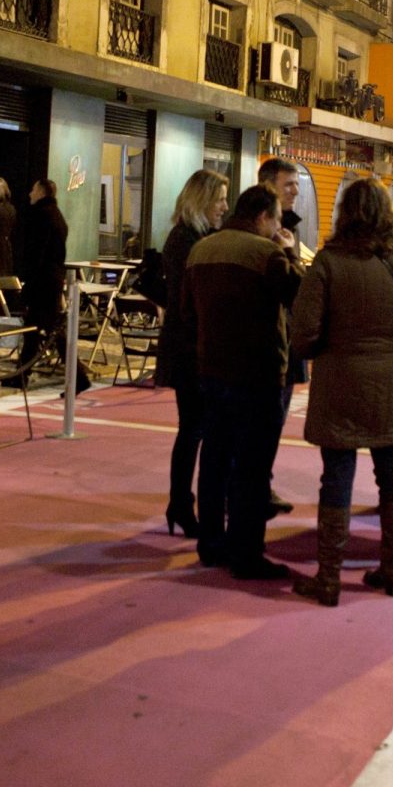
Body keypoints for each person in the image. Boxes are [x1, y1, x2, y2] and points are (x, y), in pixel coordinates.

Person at [289, 181, 393, 604]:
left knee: (336, 474)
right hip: (390, 379)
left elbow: (302, 331)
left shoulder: (329, 263)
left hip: (339, 378)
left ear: (344, 213)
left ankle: (329, 577)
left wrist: (326, 349)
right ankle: (392, 570)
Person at [183, 185, 302, 580]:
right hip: (258, 373)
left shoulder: (201, 249)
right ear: (264, 217)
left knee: (215, 460)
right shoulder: (266, 254)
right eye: (277, 222)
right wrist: (290, 252)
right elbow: (297, 296)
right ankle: (246, 553)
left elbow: (186, 311)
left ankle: (211, 543)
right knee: (251, 468)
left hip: (211, 371)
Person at [152, 169, 229, 540]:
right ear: (202, 200)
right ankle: (182, 504)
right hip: (189, 348)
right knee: (194, 429)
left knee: (195, 429)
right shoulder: (186, 239)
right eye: (220, 199)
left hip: (193, 345)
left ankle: (181, 504)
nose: (225, 207)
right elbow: (189, 300)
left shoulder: (196, 236)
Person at [256, 157, 306, 516]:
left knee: (275, 419)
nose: (295, 191)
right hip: (267, 338)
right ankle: (252, 489)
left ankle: (260, 483)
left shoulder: (288, 227)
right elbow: (291, 286)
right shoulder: (263, 231)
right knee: (264, 419)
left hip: (286, 335)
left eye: (297, 185)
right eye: (289, 185)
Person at [15, 179, 70, 380]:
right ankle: (22, 373)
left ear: (41, 191)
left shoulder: (42, 216)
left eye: (32, 189)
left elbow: (36, 253)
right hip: (51, 280)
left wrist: (28, 281)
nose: (30, 193)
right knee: (43, 328)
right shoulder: (56, 216)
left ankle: (22, 373)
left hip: (42, 282)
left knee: (36, 329)